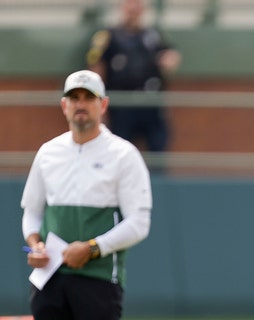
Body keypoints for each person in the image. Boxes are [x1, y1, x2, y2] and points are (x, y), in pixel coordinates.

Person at [21, 70, 152, 319]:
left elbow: (139, 223)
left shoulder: (123, 154)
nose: (80, 104)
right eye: (74, 97)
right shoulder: (48, 152)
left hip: (98, 279)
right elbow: (32, 211)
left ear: (103, 104)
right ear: (64, 105)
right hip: (50, 279)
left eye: (88, 98)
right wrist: (35, 245)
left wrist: (93, 248)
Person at [86, 0, 181, 152]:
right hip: (122, 104)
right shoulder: (108, 36)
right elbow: (96, 66)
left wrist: (170, 59)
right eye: (130, 4)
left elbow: (169, 55)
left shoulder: (152, 35)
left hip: (150, 103)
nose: (134, 9)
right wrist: (97, 102)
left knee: (158, 146)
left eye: (137, 5)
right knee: (119, 150)